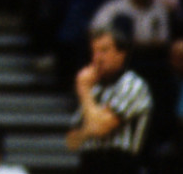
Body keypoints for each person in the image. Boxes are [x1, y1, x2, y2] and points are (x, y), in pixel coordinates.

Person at [65, 26, 152, 174]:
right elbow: (72, 141)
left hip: (120, 164)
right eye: (94, 52)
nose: (97, 58)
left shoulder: (132, 84)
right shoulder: (95, 89)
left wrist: (84, 91)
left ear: (121, 54)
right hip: (90, 163)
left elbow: (100, 129)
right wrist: (93, 122)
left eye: (104, 51)